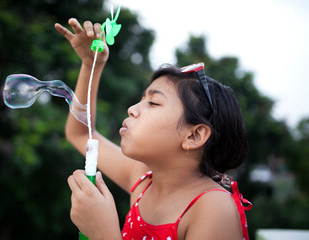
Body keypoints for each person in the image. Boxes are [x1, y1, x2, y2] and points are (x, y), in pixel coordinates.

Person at [55, 18, 252, 240]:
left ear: (194, 135)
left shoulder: (214, 208)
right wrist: (92, 65)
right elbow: (80, 133)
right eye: (141, 100)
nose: (132, 110)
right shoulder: (143, 179)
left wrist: (103, 233)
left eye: (153, 103)